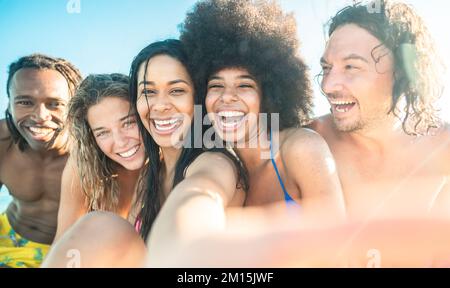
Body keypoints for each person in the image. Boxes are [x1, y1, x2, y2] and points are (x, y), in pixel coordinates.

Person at [42, 39, 247, 268]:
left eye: (176, 90)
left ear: (198, 97)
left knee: (104, 226)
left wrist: (186, 227)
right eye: (148, 92)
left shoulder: (213, 161)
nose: (159, 105)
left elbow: (201, 195)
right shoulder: (149, 176)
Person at [180, 0, 345, 220]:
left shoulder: (300, 148)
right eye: (216, 85)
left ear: (267, 94)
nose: (227, 96)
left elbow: (339, 247)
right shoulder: (227, 174)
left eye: (244, 85)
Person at [309, 0, 450, 221]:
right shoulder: (309, 142)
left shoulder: (442, 147)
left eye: (351, 67)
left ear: (401, 73)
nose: (328, 86)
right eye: (326, 68)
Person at [0, 54, 82, 268]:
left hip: (71, 251)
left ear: (74, 107)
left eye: (54, 104)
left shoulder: (91, 150)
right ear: (9, 104)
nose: (40, 115)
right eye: (25, 102)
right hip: (7, 236)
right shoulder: (2, 142)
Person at [53, 74, 147, 242]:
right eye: (103, 133)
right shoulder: (83, 166)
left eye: (128, 123)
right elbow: (64, 241)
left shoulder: (171, 162)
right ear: (92, 138)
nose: (120, 142)